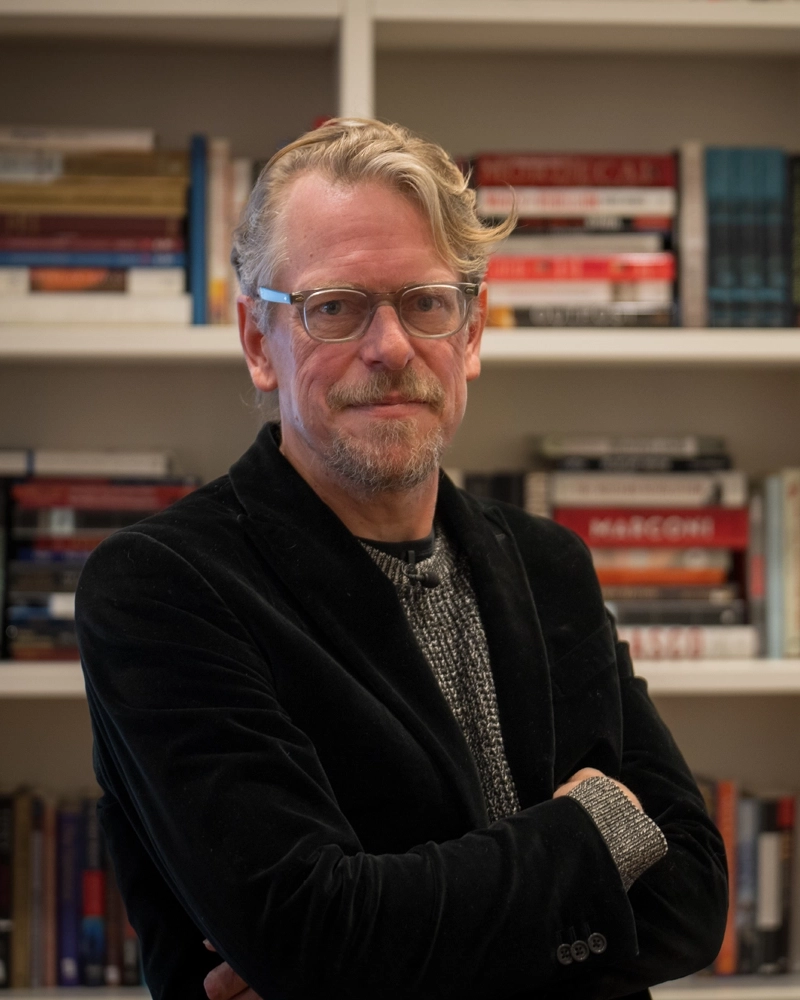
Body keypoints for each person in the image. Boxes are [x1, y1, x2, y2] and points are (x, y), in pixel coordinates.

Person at [76, 118, 727, 1000]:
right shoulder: (161, 585)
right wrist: (597, 831)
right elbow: (311, 934)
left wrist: (379, 942)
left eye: (425, 301)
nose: (389, 348)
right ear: (259, 342)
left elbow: (691, 894)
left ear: (471, 333)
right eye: (335, 306)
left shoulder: (548, 566)